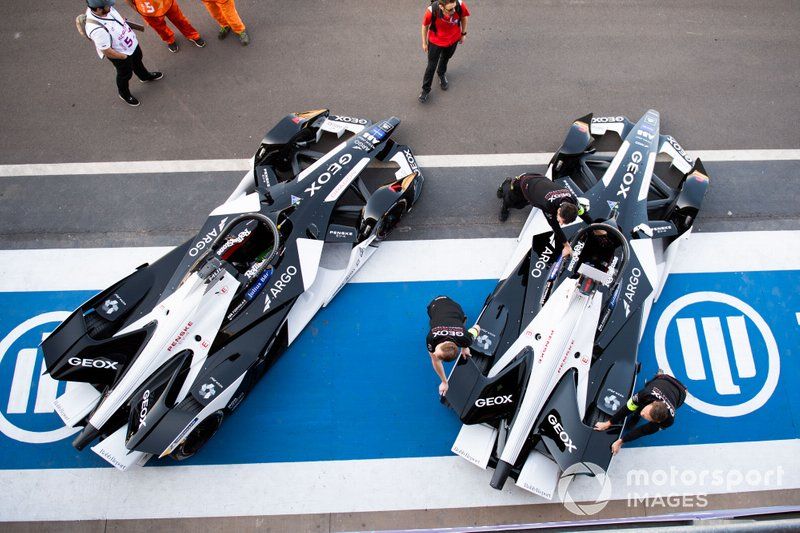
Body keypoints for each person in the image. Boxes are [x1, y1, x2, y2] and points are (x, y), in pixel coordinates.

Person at [85, 0, 163, 107]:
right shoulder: (96, 30)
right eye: (108, 6)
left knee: (138, 59)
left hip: (130, 43)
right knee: (125, 74)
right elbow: (107, 51)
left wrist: (122, 20)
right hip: (120, 54)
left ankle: (144, 76)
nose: (111, 6)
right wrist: (124, 57)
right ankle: (124, 94)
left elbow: (114, 15)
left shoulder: (104, 9)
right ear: (98, 9)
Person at [497, 173, 591, 257]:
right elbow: (555, 227)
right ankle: (506, 185)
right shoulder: (549, 206)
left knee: (526, 202)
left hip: (540, 181)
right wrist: (566, 246)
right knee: (514, 203)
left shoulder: (573, 200)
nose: (561, 224)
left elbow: (583, 213)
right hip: (524, 182)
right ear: (558, 211)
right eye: (561, 221)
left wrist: (594, 226)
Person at [594, 371, 687, 455]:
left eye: (647, 418)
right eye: (644, 413)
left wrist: (621, 441)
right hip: (664, 379)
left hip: (681, 392)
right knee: (638, 404)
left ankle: (638, 413)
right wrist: (608, 423)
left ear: (657, 422)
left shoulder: (669, 421)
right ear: (653, 403)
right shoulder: (645, 394)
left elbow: (644, 430)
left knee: (679, 398)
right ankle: (659, 374)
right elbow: (627, 408)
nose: (643, 415)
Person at [426, 296, 480, 396]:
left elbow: (477, 328)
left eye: (435, 352)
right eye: (435, 352)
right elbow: (435, 361)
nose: (433, 353)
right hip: (435, 305)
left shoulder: (466, 339)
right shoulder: (431, 337)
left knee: (462, 322)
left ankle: (461, 322)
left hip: (455, 308)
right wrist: (444, 382)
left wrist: (465, 347)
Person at [418, 0, 470, 103]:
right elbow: (425, 26)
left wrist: (463, 34)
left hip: (453, 39)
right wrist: (424, 42)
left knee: (446, 57)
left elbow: (464, 17)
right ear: (441, 7)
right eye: (450, 9)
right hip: (436, 42)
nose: (454, 11)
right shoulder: (431, 11)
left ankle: (441, 73)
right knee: (431, 66)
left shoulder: (459, 5)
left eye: (454, 8)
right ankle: (425, 90)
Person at [125, 0, 205, 53]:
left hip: (166, 3)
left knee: (180, 20)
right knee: (160, 29)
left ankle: (192, 35)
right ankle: (170, 40)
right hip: (148, 10)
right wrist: (137, 9)